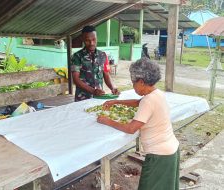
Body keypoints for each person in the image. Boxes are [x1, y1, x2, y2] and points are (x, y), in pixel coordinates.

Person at [97, 58, 180, 190]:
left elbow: (131, 128)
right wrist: (116, 102)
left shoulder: (148, 101)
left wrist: (106, 120)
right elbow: (138, 102)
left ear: (141, 82)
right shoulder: (157, 93)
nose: (133, 86)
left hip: (159, 155)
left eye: (133, 83)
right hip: (171, 150)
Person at [71, 25, 119, 102]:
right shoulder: (77, 56)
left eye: (94, 39)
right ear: (82, 39)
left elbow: (106, 75)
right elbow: (76, 79)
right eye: (88, 40)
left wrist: (112, 88)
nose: (91, 43)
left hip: (99, 97)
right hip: (82, 98)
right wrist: (93, 91)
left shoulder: (102, 55)